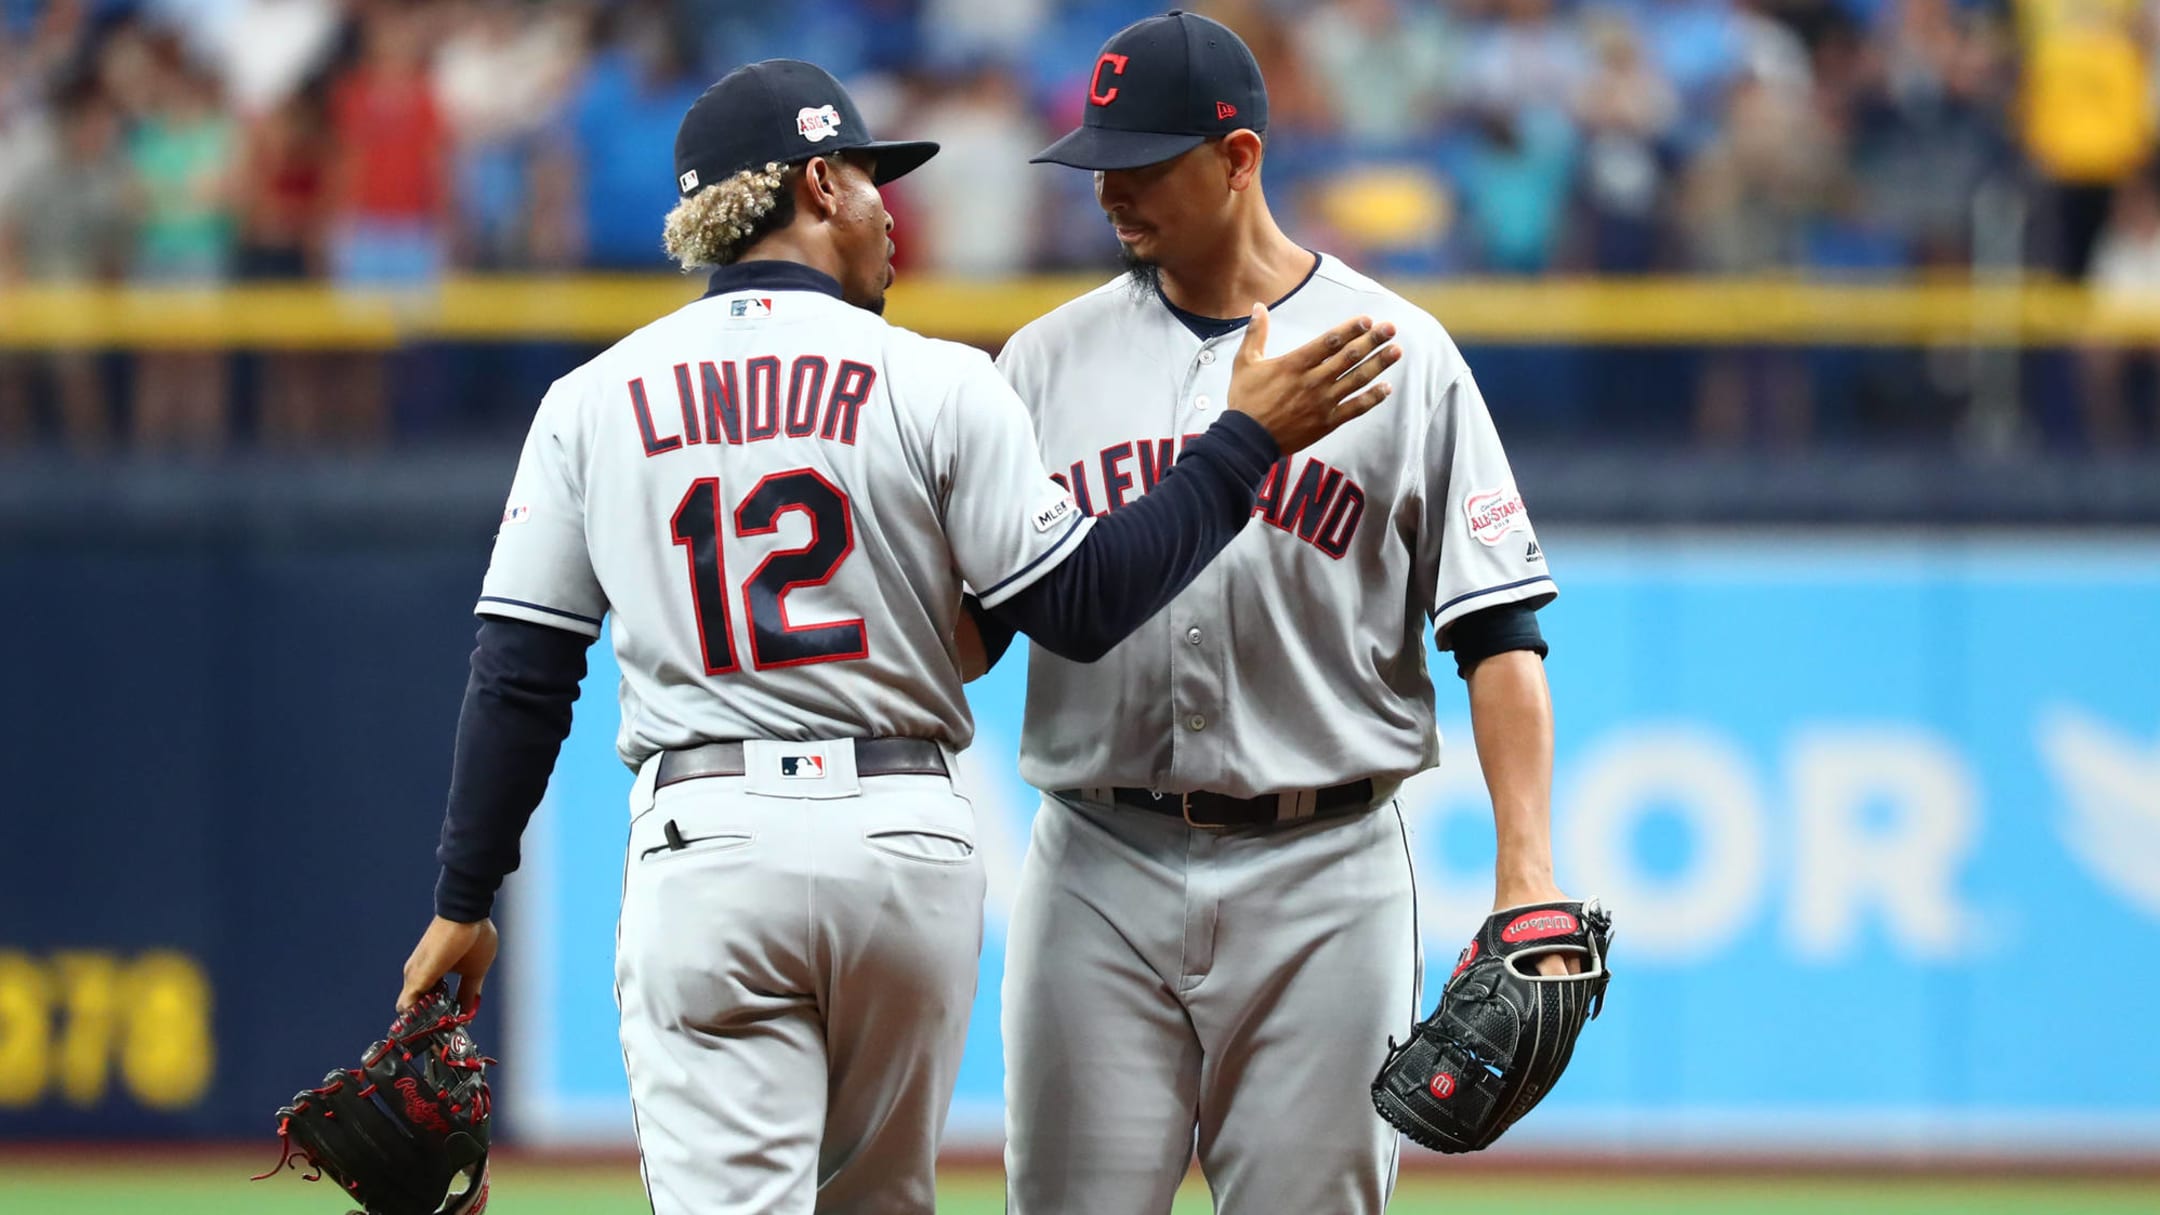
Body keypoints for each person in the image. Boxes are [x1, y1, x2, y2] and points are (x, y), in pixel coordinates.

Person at [390, 58, 1399, 1215]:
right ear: (819, 185)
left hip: (708, 837)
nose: (890, 211)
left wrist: (466, 896)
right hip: (904, 841)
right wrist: (1240, 446)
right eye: (874, 182)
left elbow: (521, 675)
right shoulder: (938, 380)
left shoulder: (593, 398)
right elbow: (1080, 603)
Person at [979, 13, 1573, 1213]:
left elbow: (1498, 632)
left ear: (1239, 159)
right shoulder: (1041, 362)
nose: (1111, 189)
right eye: (1099, 160)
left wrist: (1529, 873)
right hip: (1097, 860)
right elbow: (971, 624)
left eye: (1143, 161)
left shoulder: (1400, 351)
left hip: (1326, 873)